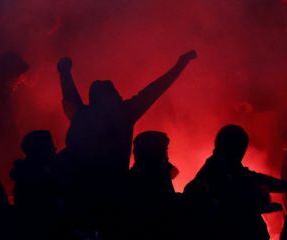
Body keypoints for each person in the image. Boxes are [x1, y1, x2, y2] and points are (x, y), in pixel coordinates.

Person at [56, 50, 197, 223]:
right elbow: (155, 90)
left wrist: (64, 71)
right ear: (108, 99)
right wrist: (180, 65)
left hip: (79, 192)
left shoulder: (81, 115)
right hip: (111, 195)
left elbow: (69, 94)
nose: (119, 96)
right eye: (115, 94)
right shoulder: (123, 115)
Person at [184, 125, 287, 240]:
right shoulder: (216, 171)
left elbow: (252, 178)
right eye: (241, 148)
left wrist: (285, 186)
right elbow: (230, 205)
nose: (242, 153)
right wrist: (260, 206)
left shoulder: (226, 166)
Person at [124, 131, 179, 240]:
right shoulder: (144, 178)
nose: (166, 154)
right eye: (164, 150)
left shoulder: (152, 172)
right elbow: (162, 206)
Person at [10, 130, 61, 217]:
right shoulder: (38, 181)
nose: (55, 150)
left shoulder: (26, 177)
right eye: (51, 147)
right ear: (40, 152)